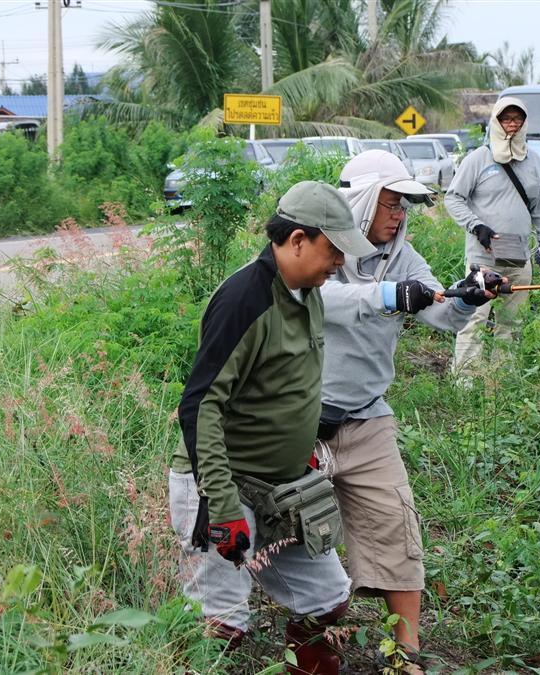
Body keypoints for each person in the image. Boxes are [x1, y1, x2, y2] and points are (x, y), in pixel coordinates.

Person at [169, 181, 376, 675]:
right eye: (333, 250)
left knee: (327, 603)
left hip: (282, 489)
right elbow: (199, 407)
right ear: (298, 239)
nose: (339, 263)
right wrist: (222, 508)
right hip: (223, 486)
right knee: (219, 629)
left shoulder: (308, 291)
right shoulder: (244, 299)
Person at [319, 150, 500, 670]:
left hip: (366, 417)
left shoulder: (403, 255)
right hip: (300, 423)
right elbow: (314, 299)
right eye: (391, 203)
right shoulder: (316, 250)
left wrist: (469, 297)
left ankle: (406, 658)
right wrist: (388, 295)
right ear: (361, 201)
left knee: (399, 530)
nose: (399, 215)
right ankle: (296, 645)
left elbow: (442, 316)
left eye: (404, 206)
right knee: (289, 541)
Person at [446, 97, 540, 377]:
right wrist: (476, 226)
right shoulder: (478, 159)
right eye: (506, 119)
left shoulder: (534, 162)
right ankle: (465, 381)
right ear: (495, 122)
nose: (512, 125)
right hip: (484, 258)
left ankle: (501, 380)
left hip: (519, 257)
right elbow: (454, 198)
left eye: (517, 119)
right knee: (475, 318)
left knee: (512, 322)